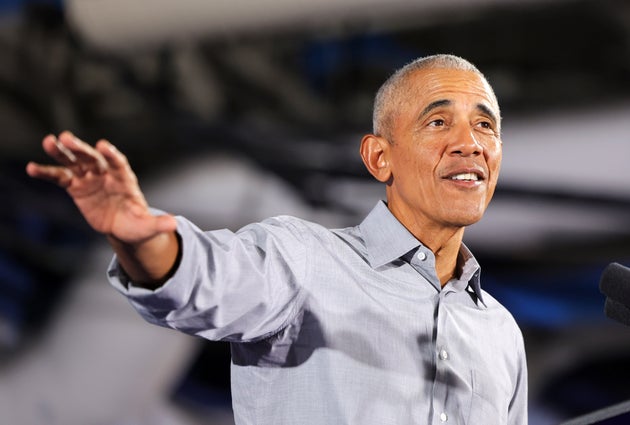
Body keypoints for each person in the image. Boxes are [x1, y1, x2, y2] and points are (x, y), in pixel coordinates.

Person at [26, 54, 527, 424]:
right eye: (438, 122)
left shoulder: (500, 334)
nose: (470, 143)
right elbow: (204, 282)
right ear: (379, 158)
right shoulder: (306, 260)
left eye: (486, 126)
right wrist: (140, 239)